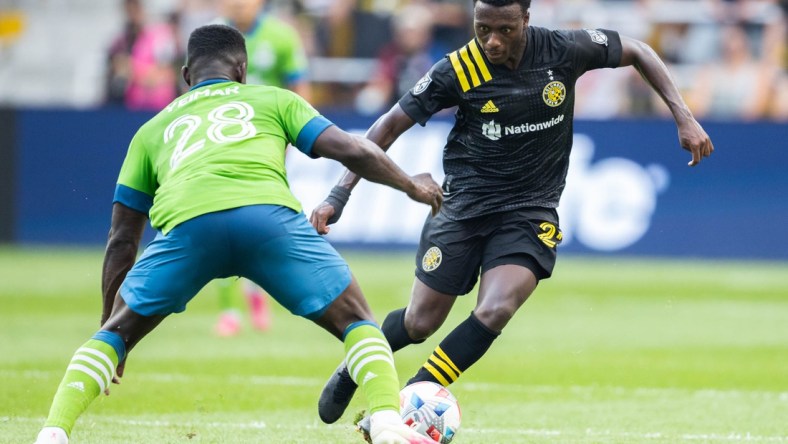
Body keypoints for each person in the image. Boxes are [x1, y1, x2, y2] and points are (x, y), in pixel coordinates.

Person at [310, 0, 715, 429]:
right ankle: (356, 366)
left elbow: (636, 50)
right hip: (463, 208)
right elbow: (386, 128)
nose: (492, 41)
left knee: (496, 308)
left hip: (530, 210)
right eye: (483, 28)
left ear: (526, 19)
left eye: (504, 29)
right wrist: (340, 193)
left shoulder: (564, 49)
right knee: (419, 322)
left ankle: (416, 396)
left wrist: (683, 116)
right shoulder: (458, 69)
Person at [33, 24, 442, 444]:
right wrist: (410, 184)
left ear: (187, 75)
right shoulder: (274, 99)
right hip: (267, 220)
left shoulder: (151, 131)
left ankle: (53, 432)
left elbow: (121, 238)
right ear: (242, 70)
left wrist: (112, 326)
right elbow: (353, 149)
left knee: (113, 335)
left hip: (190, 228)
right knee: (357, 320)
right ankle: (389, 424)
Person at [212, 0, 314, 335]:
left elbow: (299, 87)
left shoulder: (281, 36)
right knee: (219, 217)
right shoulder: (211, 35)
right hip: (220, 139)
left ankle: (257, 292)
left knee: (260, 219)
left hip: (268, 142)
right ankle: (229, 311)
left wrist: (294, 133)